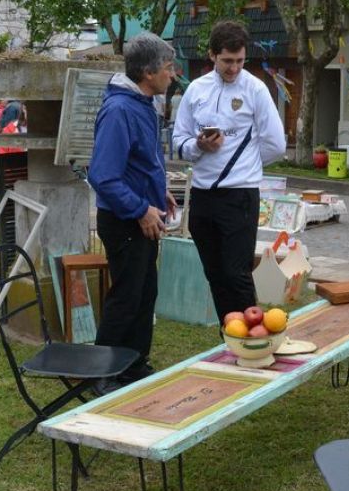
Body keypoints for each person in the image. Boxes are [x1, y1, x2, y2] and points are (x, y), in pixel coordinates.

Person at [171, 20, 287, 321]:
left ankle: (254, 341)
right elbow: (178, 141)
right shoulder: (196, 90)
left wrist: (243, 163)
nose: (234, 68)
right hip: (202, 195)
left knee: (237, 274)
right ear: (212, 55)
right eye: (227, 61)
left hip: (240, 195)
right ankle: (230, 336)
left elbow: (275, 144)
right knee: (215, 274)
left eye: (239, 61)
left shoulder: (255, 89)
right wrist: (199, 147)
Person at [88, 33, 179, 391]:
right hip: (125, 220)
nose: (172, 75)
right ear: (147, 72)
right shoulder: (120, 110)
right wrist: (142, 208)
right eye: (168, 69)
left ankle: (132, 363)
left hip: (142, 215)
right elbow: (103, 175)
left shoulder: (141, 103)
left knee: (145, 293)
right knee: (126, 297)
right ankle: (101, 372)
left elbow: (140, 162)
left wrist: (160, 193)